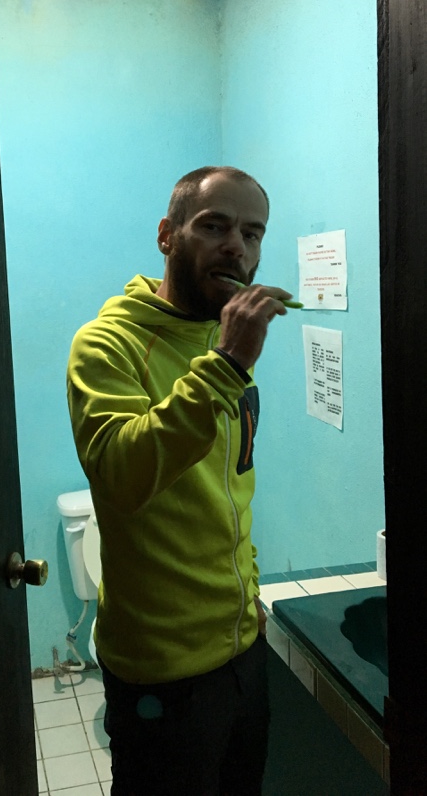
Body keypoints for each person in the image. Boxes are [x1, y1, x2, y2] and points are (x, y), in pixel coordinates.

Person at [66, 166, 293, 795]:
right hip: (160, 671)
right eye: (214, 226)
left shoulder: (224, 340)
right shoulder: (107, 344)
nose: (237, 247)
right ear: (167, 235)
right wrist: (227, 364)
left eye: (252, 233)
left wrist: (248, 597)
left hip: (242, 650)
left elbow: (230, 489)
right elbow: (121, 476)